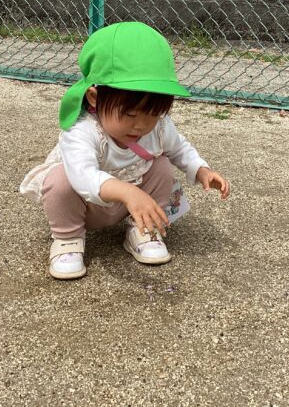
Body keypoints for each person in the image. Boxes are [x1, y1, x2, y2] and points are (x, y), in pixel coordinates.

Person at [20, 22, 230, 279]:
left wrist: (201, 169)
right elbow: (83, 176)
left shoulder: (158, 127)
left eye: (153, 113)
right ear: (94, 97)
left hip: (133, 204)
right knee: (59, 180)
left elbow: (179, 148)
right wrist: (128, 192)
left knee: (161, 166)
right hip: (86, 206)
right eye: (129, 113)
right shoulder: (82, 130)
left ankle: (142, 229)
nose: (141, 125)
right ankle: (68, 240)